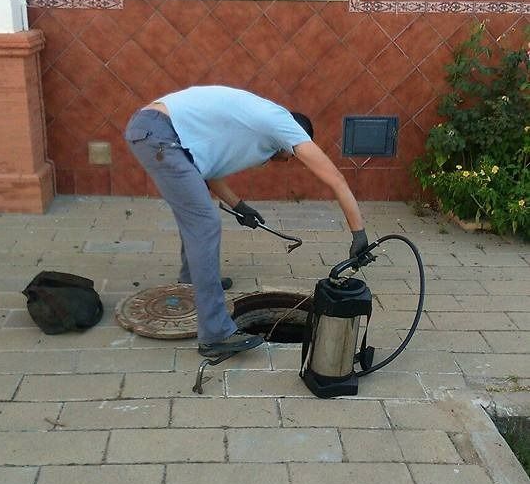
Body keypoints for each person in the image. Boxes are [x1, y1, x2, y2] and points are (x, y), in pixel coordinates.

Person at [124, 85, 369, 359]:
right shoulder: (283, 125)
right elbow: (336, 179)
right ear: (292, 141)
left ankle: (193, 278)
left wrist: (239, 207)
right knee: (205, 222)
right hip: (159, 134)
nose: (288, 161)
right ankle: (216, 335)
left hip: (156, 131)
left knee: (196, 212)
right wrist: (359, 234)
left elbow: (203, 170)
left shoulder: (259, 121)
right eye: (292, 155)